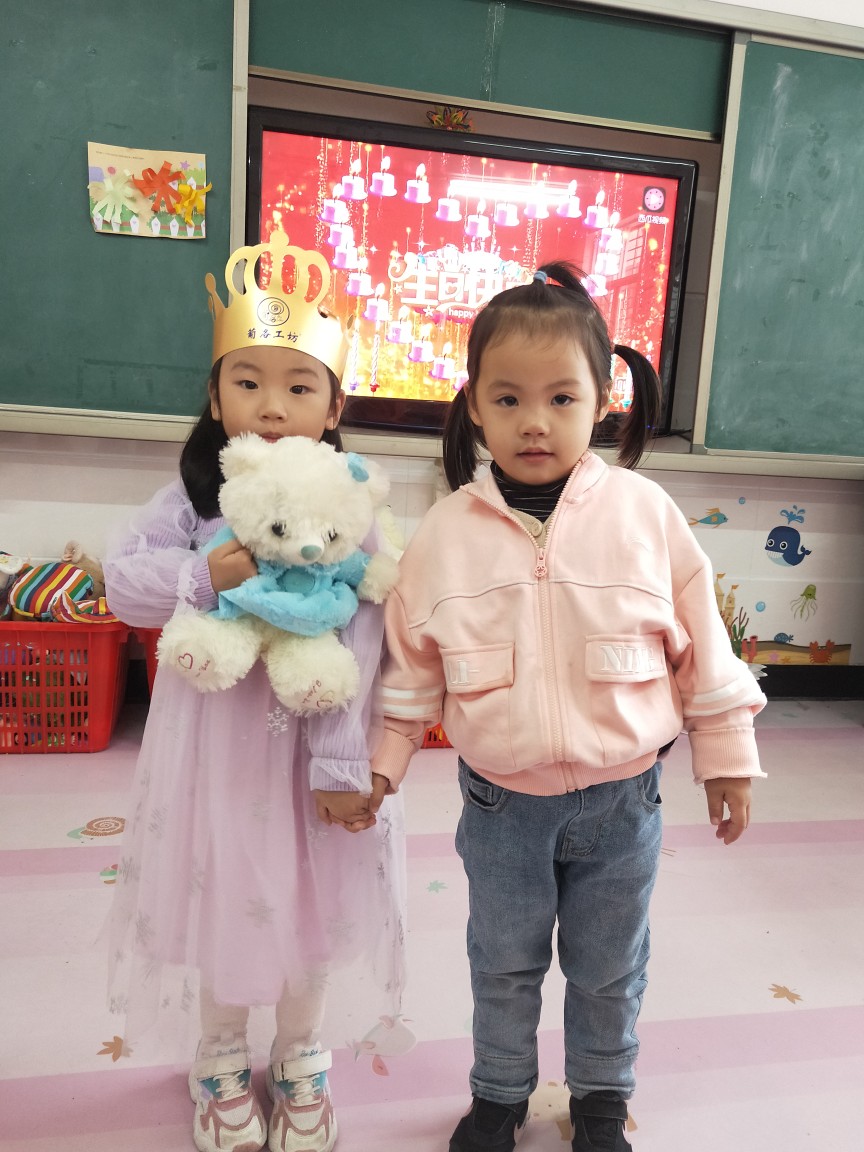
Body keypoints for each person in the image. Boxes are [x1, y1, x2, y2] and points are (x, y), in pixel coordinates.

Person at [367, 262, 767, 1152]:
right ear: (475, 406)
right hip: (500, 807)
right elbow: (410, 667)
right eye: (508, 399)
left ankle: (600, 1099)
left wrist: (727, 757)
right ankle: (500, 1095)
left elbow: (703, 644)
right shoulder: (444, 535)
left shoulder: (646, 514)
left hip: (623, 803)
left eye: (560, 398)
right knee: (502, 964)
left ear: (601, 401)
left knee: (608, 968)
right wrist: (384, 766)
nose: (534, 422)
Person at [103, 233, 408, 1152]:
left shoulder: (352, 509)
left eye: (299, 386)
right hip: (217, 751)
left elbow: (371, 634)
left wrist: (349, 764)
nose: (272, 407)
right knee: (226, 886)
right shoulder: (194, 501)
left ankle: (303, 1053)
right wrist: (206, 573)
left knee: (313, 899)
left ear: (335, 405)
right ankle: (221, 1056)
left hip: (318, 748)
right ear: (215, 395)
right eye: (248, 382)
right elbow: (124, 588)